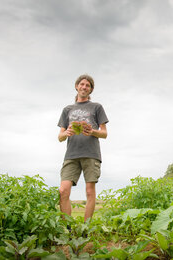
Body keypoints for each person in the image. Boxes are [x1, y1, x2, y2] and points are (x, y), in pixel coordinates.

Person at [57, 74, 108, 221]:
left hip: (91, 154)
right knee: (63, 191)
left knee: (89, 191)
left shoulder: (97, 107)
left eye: (88, 85)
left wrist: (92, 131)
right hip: (71, 155)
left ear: (91, 90)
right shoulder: (67, 109)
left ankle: (85, 228)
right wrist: (66, 132)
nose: (84, 87)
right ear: (76, 86)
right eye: (82, 84)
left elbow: (104, 133)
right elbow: (59, 137)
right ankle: (67, 228)